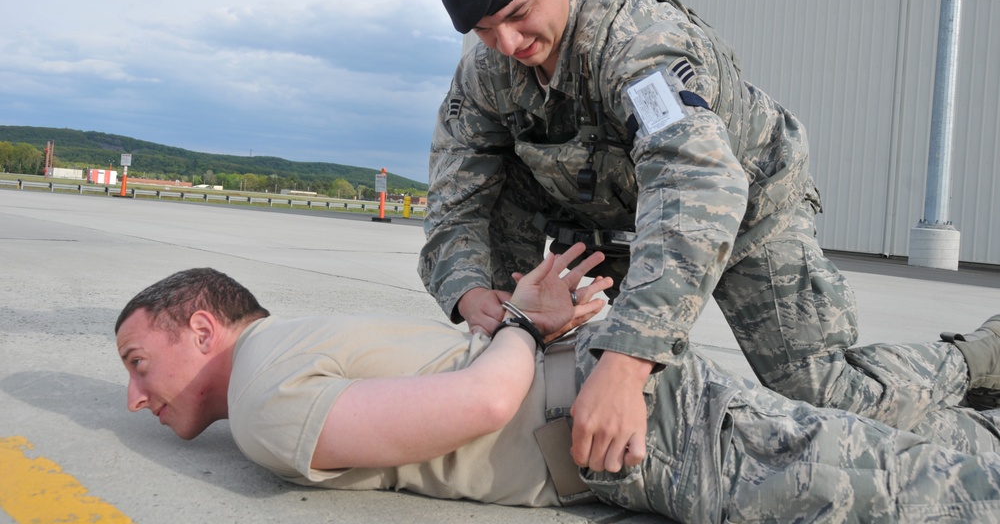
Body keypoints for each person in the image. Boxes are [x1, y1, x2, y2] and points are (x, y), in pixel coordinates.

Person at [418, 0, 1000, 470]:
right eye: (486, 29)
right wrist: (471, 292)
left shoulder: (639, 45)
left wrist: (629, 355)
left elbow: (695, 186)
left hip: (745, 206)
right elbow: (455, 198)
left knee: (823, 396)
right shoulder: (486, 72)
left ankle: (980, 358)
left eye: (518, 14)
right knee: (613, 386)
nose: (509, 45)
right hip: (615, 218)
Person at [116, 247, 1000, 523]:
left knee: (941, 495)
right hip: (635, 404)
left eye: (137, 362)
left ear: (202, 327)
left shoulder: (264, 399)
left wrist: (525, 323)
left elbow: (484, 402)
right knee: (936, 455)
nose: (134, 396)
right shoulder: (295, 344)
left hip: (638, 433)